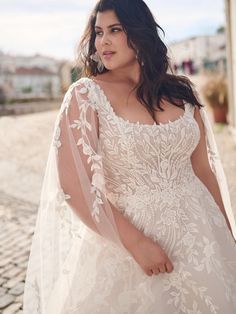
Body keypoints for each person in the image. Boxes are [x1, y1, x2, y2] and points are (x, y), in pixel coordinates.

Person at [23, 0, 236, 313]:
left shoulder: (181, 92)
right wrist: (136, 243)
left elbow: (203, 169)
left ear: (139, 34)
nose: (103, 41)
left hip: (202, 238)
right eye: (98, 32)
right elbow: (73, 185)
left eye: (115, 30)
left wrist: (227, 235)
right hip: (128, 247)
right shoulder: (86, 96)